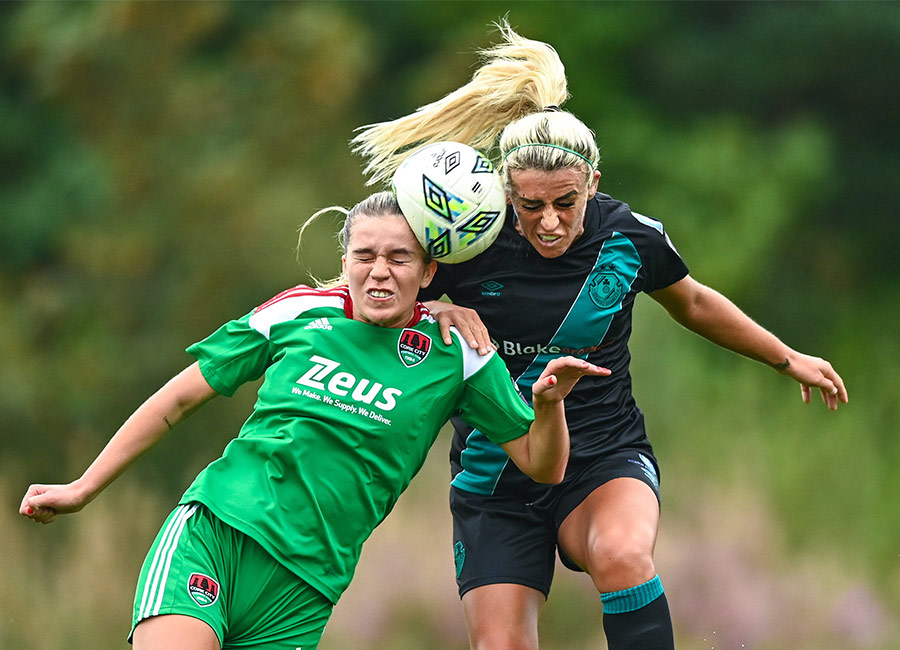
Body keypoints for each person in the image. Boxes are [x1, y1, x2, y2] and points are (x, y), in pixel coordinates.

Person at [352, 21, 849, 650]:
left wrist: (786, 358)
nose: (550, 221)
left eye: (566, 201)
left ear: (593, 183)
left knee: (621, 554)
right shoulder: (469, 244)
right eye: (530, 206)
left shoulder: (629, 237)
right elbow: (374, 304)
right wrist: (435, 312)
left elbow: (693, 302)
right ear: (506, 194)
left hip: (603, 458)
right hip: (497, 472)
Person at [18, 191, 610, 650]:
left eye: (399, 257)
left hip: (306, 585)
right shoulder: (299, 312)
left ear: (429, 271)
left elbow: (543, 464)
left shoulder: (459, 353)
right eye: (365, 255)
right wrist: (83, 486)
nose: (380, 271)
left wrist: (549, 405)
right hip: (218, 533)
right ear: (346, 261)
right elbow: (176, 401)